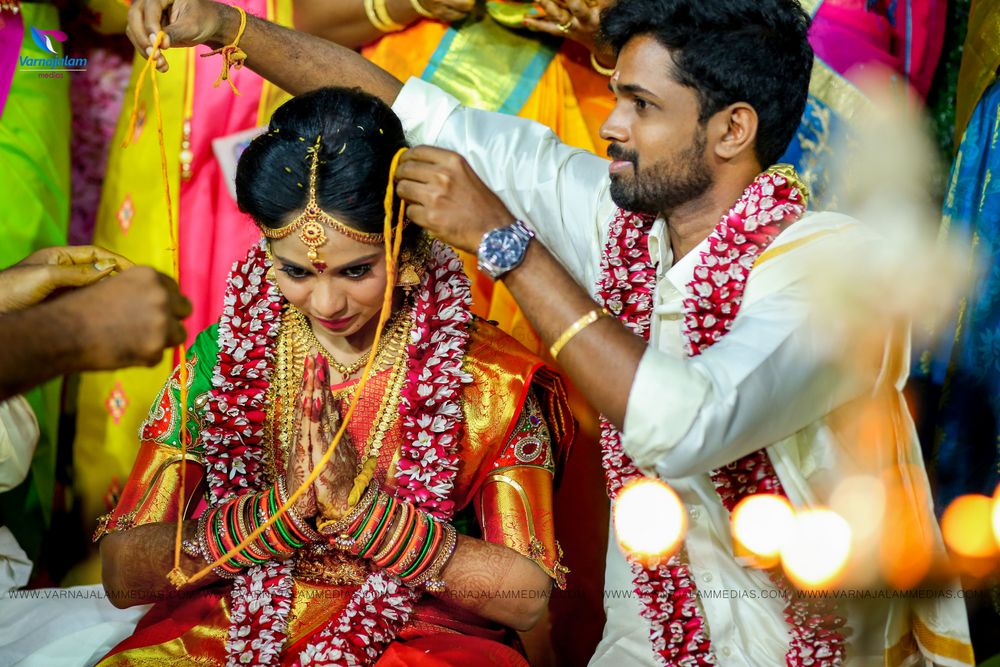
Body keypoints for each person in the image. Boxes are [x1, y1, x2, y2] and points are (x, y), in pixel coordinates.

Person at [125, 0, 976, 664]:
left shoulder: (832, 272)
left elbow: (684, 424)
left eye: (641, 105)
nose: (609, 125)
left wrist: (508, 246)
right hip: (647, 642)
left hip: (816, 643)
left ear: (731, 128)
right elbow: (407, 108)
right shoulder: (625, 230)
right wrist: (225, 25)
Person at [93, 87, 573, 665]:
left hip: (423, 635)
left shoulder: (492, 378)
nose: (325, 300)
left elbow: (526, 598)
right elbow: (123, 575)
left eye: (357, 270)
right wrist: (269, 518)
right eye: (294, 269)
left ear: (409, 243)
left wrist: (366, 515)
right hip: (232, 622)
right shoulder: (221, 358)